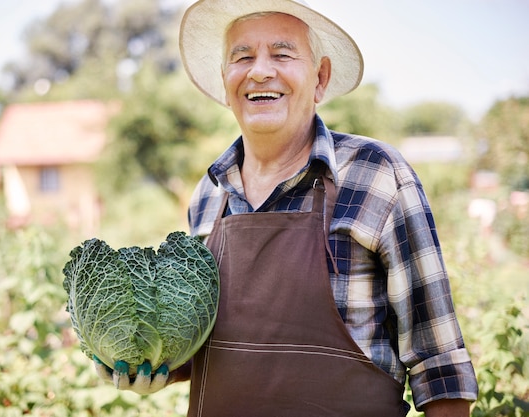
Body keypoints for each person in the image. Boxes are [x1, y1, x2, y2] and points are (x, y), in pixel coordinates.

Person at [94, 0, 479, 415]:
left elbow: (440, 368)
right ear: (225, 82)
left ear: (320, 78)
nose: (260, 71)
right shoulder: (209, 194)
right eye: (242, 57)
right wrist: (161, 365)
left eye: (282, 54)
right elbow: (225, 347)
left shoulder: (376, 175)